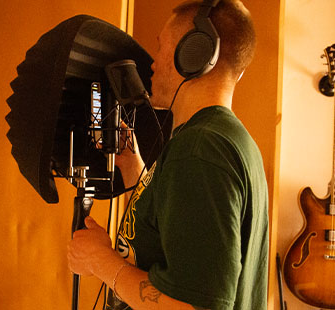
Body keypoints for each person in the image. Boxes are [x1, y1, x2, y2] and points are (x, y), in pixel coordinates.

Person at [67, 0, 268, 309]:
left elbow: (193, 305)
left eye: (161, 47)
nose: (153, 63)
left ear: (194, 54)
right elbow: (181, 235)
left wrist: (100, 261)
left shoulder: (200, 151)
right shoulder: (225, 141)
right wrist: (135, 168)